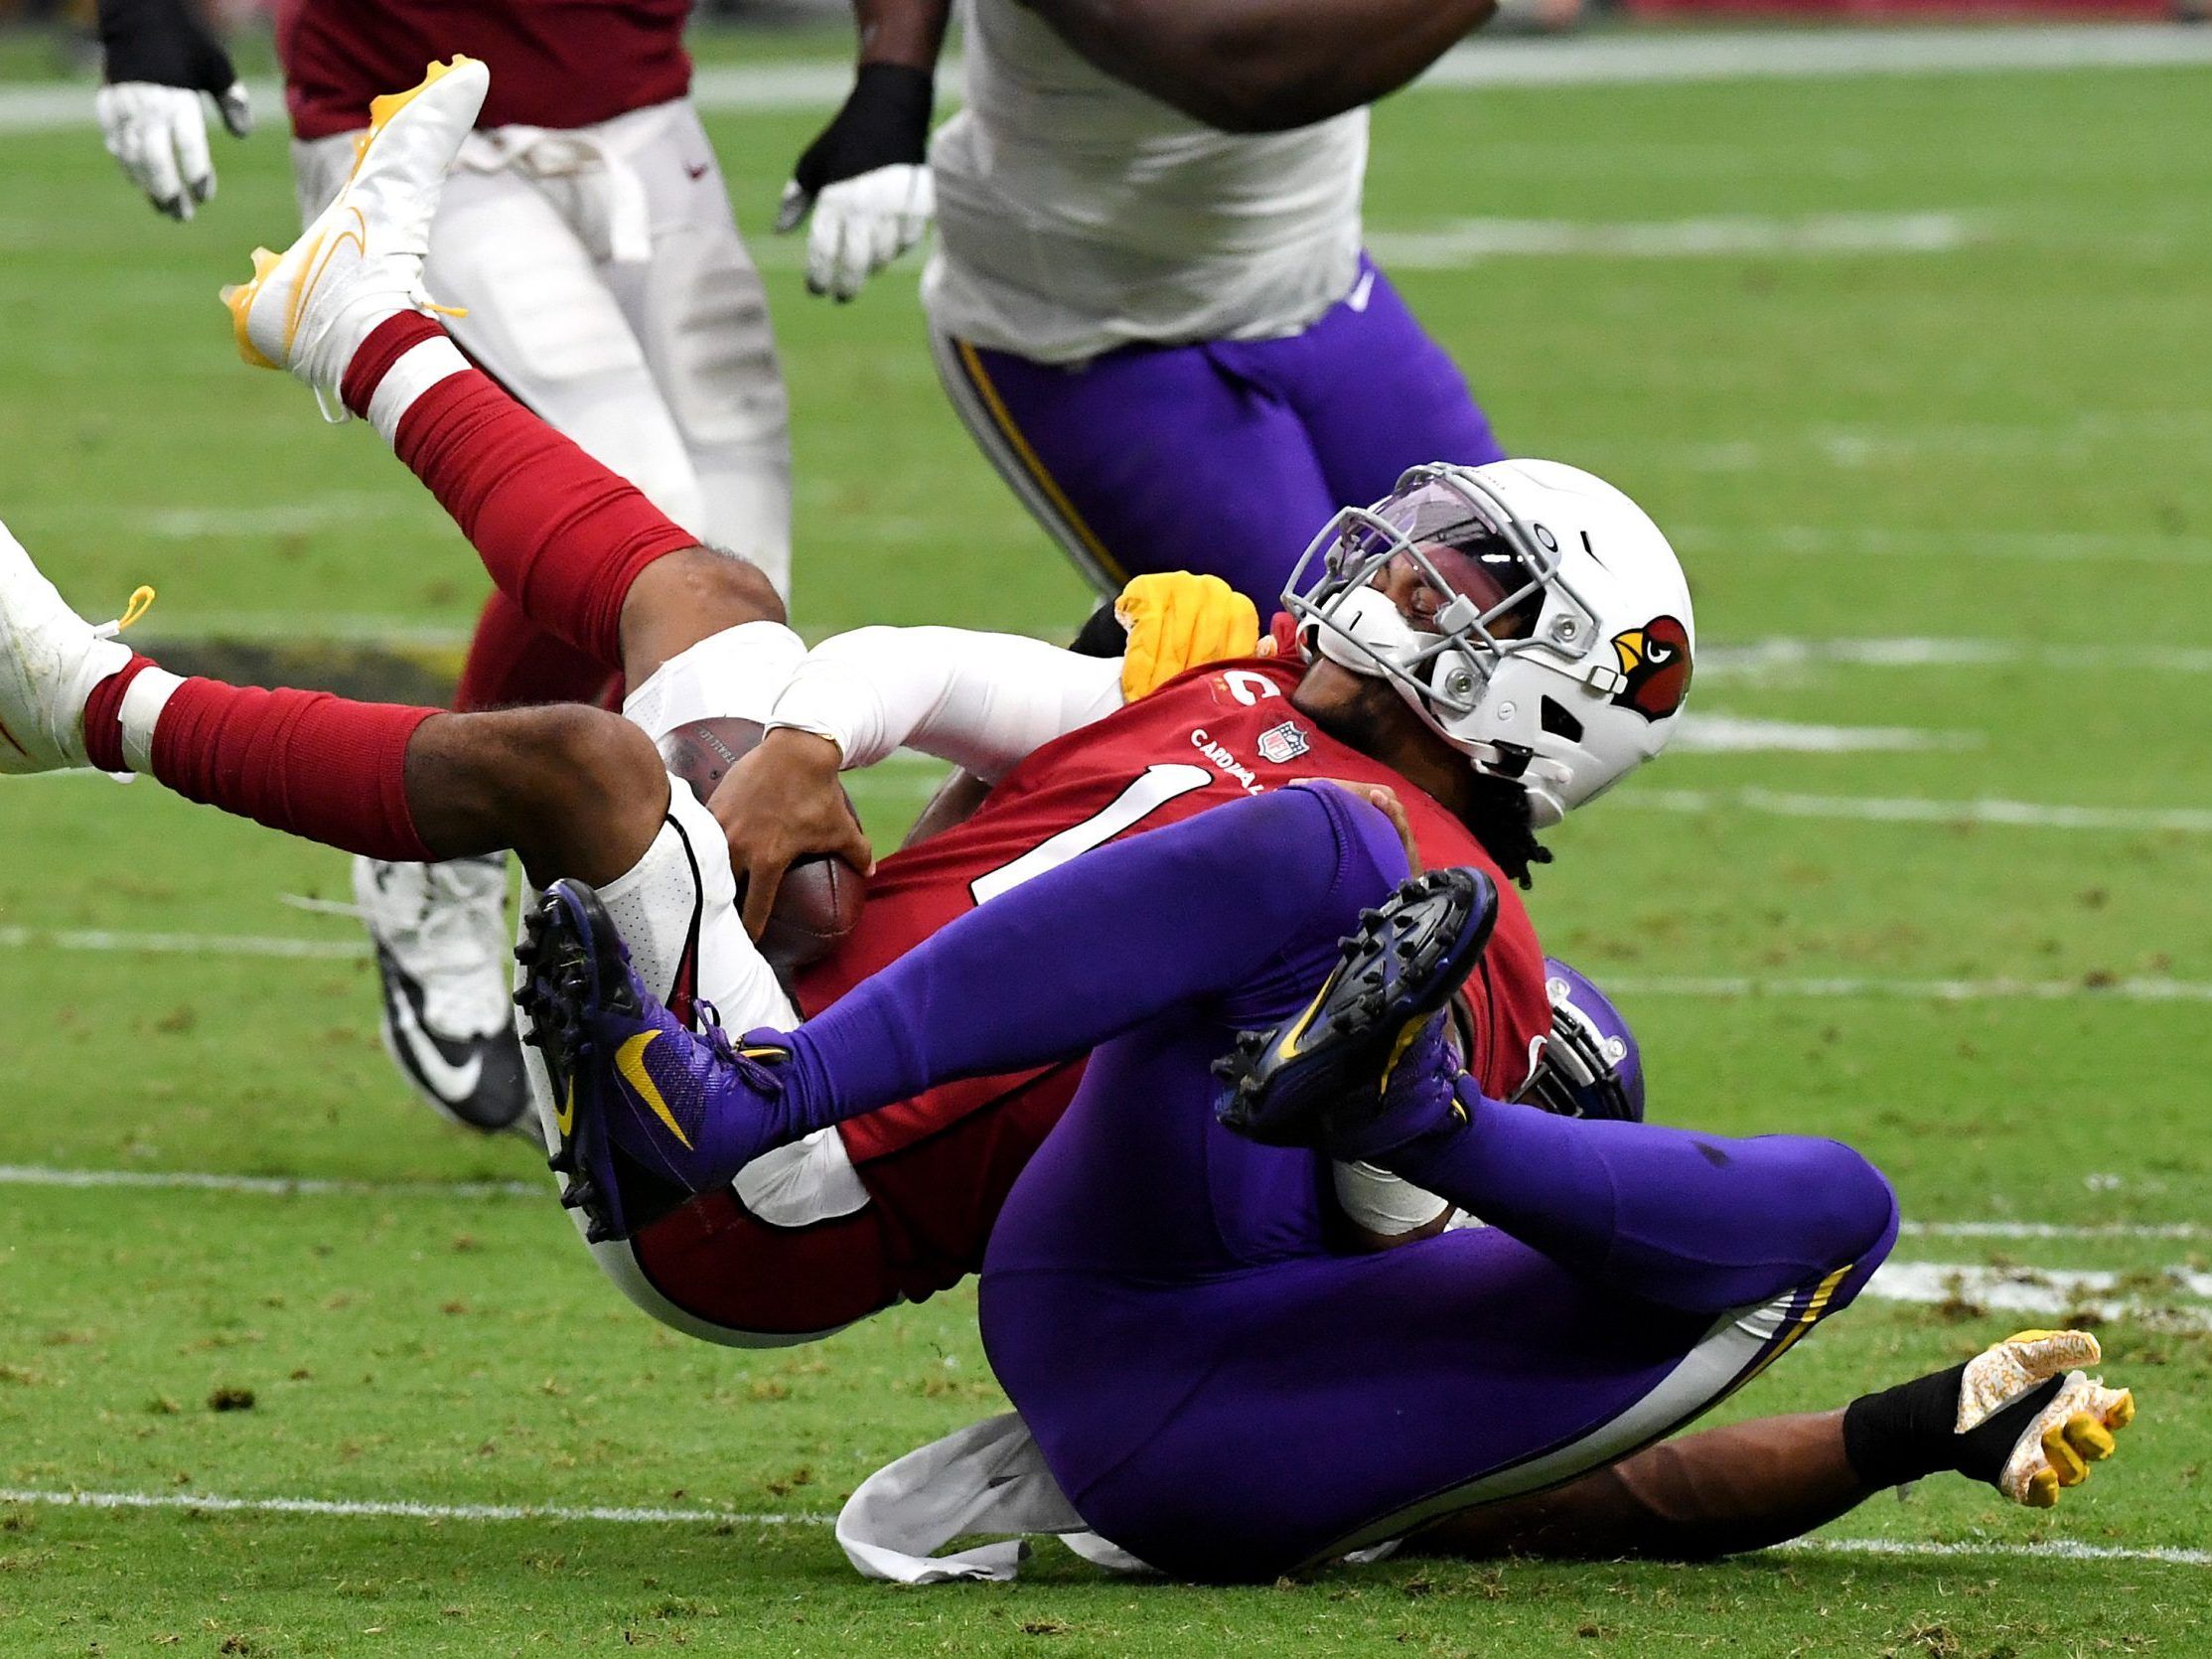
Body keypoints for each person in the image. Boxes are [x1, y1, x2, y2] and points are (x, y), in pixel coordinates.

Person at [0, 59, 1689, 1350]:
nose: (1400, 572)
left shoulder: (1431, 923)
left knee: (590, 769)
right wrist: (808, 752)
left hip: (779, 1183)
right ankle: (359, 317)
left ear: (1536, 705)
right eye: (1435, 550)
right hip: (814, 976)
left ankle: (81, 697)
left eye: (1470, 588)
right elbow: (939, 674)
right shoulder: (1256, 693)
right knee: (706, 596)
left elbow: (1366, 1238)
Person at [520, 777, 2135, 1584]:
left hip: (1176, 1410)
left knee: (1833, 1208)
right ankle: (736, 1104)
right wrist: (1909, 1432)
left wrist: (1915, 1432)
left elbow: (1635, 1494)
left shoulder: (1452, 1365)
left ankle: (1417, 1124)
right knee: (1335, 845)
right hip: (1159, 1302)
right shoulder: (1466, 1334)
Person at [92, 0, 824, 1134]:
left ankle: (669, 1015)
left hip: (641, 108)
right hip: (408, 113)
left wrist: (895, 82)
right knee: (652, 542)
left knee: (736, 606)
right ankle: (446, 850)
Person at [793, 0, 1508, 603]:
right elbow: (1239, 73)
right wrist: (891, 81)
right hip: (1088, 329)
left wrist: (892, 79)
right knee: (1300, 685)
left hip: (1315, 277)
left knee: (1515, 608)